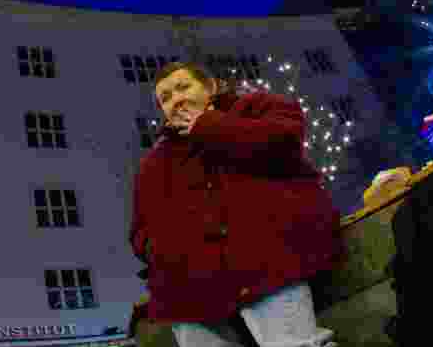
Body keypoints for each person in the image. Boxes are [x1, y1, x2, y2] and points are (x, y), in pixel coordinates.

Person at [129, 60, 342, 347]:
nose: (176, 99)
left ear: (211, 87)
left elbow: (284, 141)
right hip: (188, 290)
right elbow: (140, 229)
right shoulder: (154, 163)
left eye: (183, 87)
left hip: (267, 263)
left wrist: (207, 125)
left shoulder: (256, 107)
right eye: (165, 98)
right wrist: (160, 252)